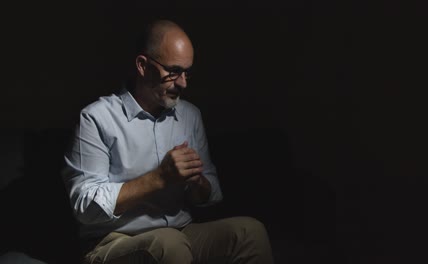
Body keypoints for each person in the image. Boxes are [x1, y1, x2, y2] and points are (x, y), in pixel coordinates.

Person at [61, 19, 274, 264]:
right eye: (173, 71)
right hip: (113, 241)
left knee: (250, 232)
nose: (182, 83)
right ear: (142, 66)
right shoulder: (97, 117)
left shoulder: (190, 115)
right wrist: (160, 177)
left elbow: (213, 193)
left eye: (187, 73)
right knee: (169, 244)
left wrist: (197, 182)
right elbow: (84, 207)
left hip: (181, 232)